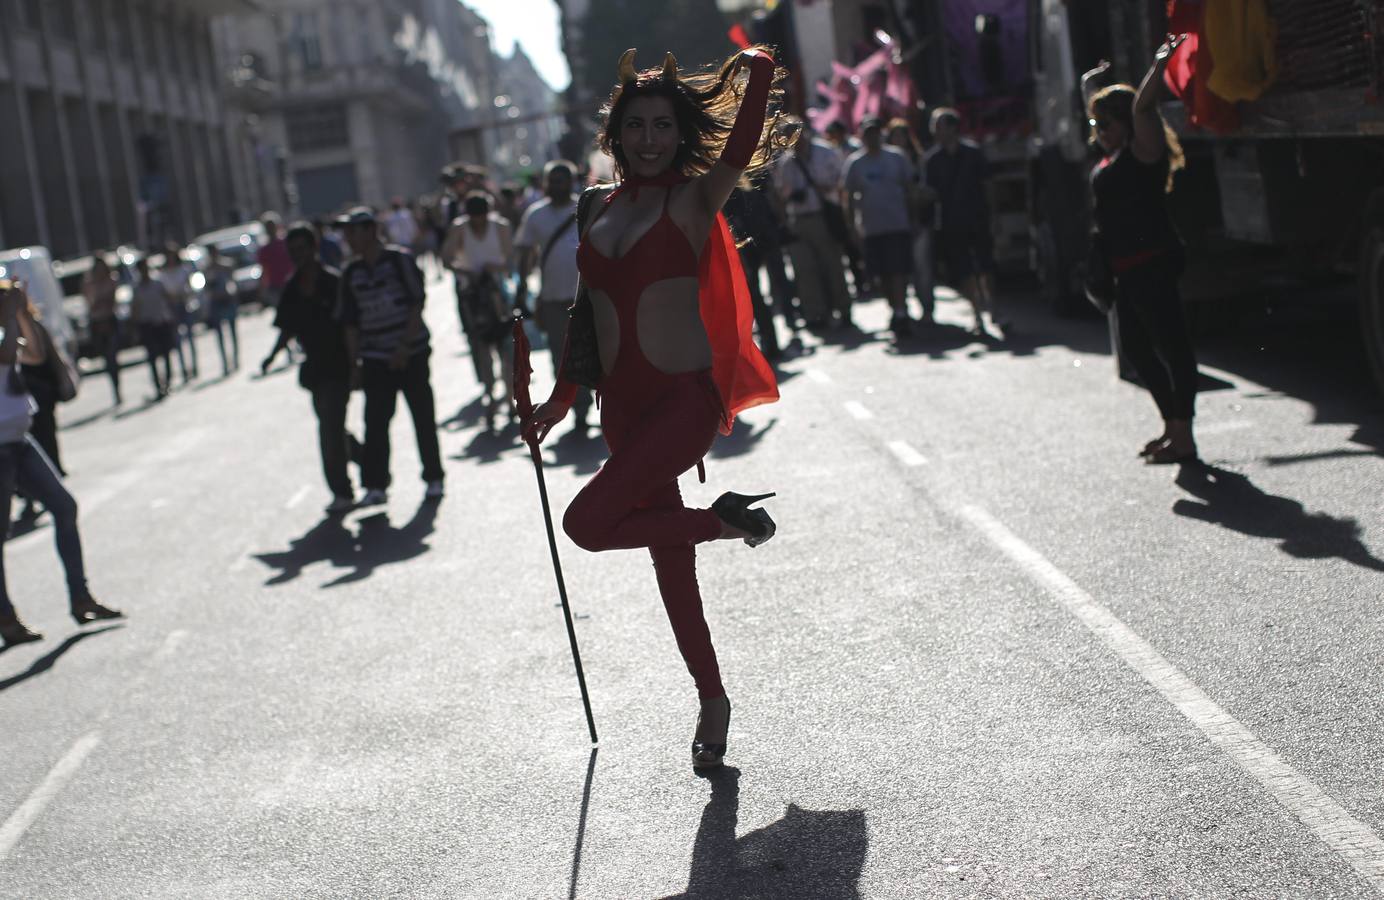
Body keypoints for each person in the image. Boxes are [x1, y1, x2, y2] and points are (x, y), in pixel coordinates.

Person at [522, 45, 788, 771]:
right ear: (615, 136)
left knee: (587, 524)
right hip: (621, 409)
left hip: (682, 401)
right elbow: (586, 313)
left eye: (662, 127)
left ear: (678, 134)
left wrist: (757, 68)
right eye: (635, 126)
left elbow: (740, 140)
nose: (649, 139)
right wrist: (560, 398)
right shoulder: (593, 206)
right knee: (672, 567)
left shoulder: (695, 198)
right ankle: (713, 699)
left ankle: (727, 523)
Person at [1084, 38, 1199, 464]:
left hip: (1152, 262)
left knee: (1173, 348)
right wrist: (1091, 83)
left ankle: (1184, 436)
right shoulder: (1112, 157)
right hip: (1125, 270)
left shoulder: (1143, 153)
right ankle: (1172, 426)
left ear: (1125, 125)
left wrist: (1157, 66)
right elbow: (1102, 111)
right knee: (1135, 349)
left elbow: (1142, 108)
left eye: (1106, 125)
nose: (1099, 133)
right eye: (1096, 127)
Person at [0, 282, 121, 650]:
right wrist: (10, 316)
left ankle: (80, 598)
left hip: (20, 441)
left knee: (64, 507)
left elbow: (34, 355)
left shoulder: (6, 326)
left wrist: (21, 313)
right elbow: (6, 356)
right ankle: (6, 617)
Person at [336, 207, 445, 504]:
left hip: (412, 353)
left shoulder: (400, 261)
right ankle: (376, 485)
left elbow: (416, 304)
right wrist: (354, 363)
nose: (348, 238)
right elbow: (350, 323)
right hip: (374, 358)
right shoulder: (351, 273)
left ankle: (433, 476)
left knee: (422, 417)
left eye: (353, 231)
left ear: (371, 231)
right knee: (376, 422)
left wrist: (403, 347)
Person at [262, 224, 358, 512]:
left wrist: (356, 364)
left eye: (302, 249)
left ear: (314, 249)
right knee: (333, 428)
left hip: (339, 364)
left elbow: (350, 326)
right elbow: (287, 328)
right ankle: (367, 458)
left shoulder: (334, 282)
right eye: (293, 252)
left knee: (329, 429)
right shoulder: (292, 289)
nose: (297, 256)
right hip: (315, 370)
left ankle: (342, 490)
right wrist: (271, 357)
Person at [514, 160, 593, 432]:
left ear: (571, 182)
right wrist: (521, 287)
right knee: (563, 357)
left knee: (599, 351)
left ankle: (601, 403)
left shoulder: (586, 207)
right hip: (553, 300)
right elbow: (525, 252)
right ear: (545, 183)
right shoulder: (535, 215)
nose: (557, 185)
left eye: (562, 180)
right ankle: (578, 408)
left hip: (589, 297)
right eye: (553, 180)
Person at [441, 191, 517, 427]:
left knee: (506, 349)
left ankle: (508, 396)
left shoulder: (500, 227)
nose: (479, 222)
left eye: (482, 216)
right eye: (475, 217)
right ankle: (490, 395)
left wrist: (496, 267)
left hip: (498, 294)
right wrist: (466, 272)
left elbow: (510, 260)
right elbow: (446, 259)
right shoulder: (459, 228)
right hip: (473, 295)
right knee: (481, 347)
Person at [843, 117, 921, 336]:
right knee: (881, 276)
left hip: (897, 224)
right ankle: (894, 307)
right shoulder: (855, 164)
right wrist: (852, 227)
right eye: (867, 133)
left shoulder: (896, 157)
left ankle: (901, 311)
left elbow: (910, 189)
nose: (872, 137)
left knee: (898, 270)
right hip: (871, 228)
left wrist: (914, 218)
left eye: (875, 133)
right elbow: (848, 197)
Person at [925, 108, 1000, 336]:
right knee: (964, 269)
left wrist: (994, 216)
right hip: (952, 223)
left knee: (985, 266)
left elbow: (988, 185)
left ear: (953, 128)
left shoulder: (973, 153)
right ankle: (976, 313)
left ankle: (994, 309)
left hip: (977, 217)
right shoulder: (932, 160)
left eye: (940, 126)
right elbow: (930, 194)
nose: (936, 131)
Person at [774, 116, 852, 328]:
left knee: (832, 265)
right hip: (799, 220)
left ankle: (843, 309)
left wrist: (824, 189)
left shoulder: (825, 152)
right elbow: (781, 194)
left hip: (822, 216)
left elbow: (841, 182)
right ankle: (816, 313)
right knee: (805, 270)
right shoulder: (786, 162)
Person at [886, 117, 938, 324]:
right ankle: (901, 309)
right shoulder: (885, 160)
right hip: (894, 223)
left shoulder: (919, 161)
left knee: (922, 269)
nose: (900, 140)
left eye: (903, 136)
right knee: (898, 270)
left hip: (918, 222)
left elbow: (927, 191)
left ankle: (927, 308)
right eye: (895, 136)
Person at [131, 257, 176, 399]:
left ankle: (168, 381)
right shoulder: (137, 288)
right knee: (152, 357)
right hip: (147, 325)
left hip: (161, 322)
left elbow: (168, 298)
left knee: (166, 353)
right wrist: (134, 328)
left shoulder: (158, 283)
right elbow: (135, 309)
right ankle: (158, 385)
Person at [83, 256, 121, 405]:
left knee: (112, 356)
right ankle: (114, 388)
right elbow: (91, 304)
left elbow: (112, 302)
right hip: (97, 323)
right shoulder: (89, 283)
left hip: (110, 321)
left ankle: (117, 389)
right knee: (106, 357)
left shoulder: (111, 280)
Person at [160, 242, 198, 382]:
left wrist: (185, 296)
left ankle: (194, 366)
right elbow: (164, 292)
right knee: (178, 340)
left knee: (190, 337)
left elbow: (190, 287)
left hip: (184, 304)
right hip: (172, 306)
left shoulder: (183, 269)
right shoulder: (163, 273)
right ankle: (184, 369)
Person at [204, 245, 240, 376]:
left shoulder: (226, 264)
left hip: (228, 299)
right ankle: (225, 362)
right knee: (219, 335)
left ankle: (236, 358)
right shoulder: (207, 268)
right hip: (216, 302)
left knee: (232, 331)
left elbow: (233, 281)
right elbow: (207, 287)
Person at [256, 214, 294, 308]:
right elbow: (264, 271)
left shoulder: (286, 243)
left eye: (271, 226)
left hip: (291, 283)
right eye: (268, 227)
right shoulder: (264, 250)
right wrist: (261, 292)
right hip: (275, 287)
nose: (270, 229)